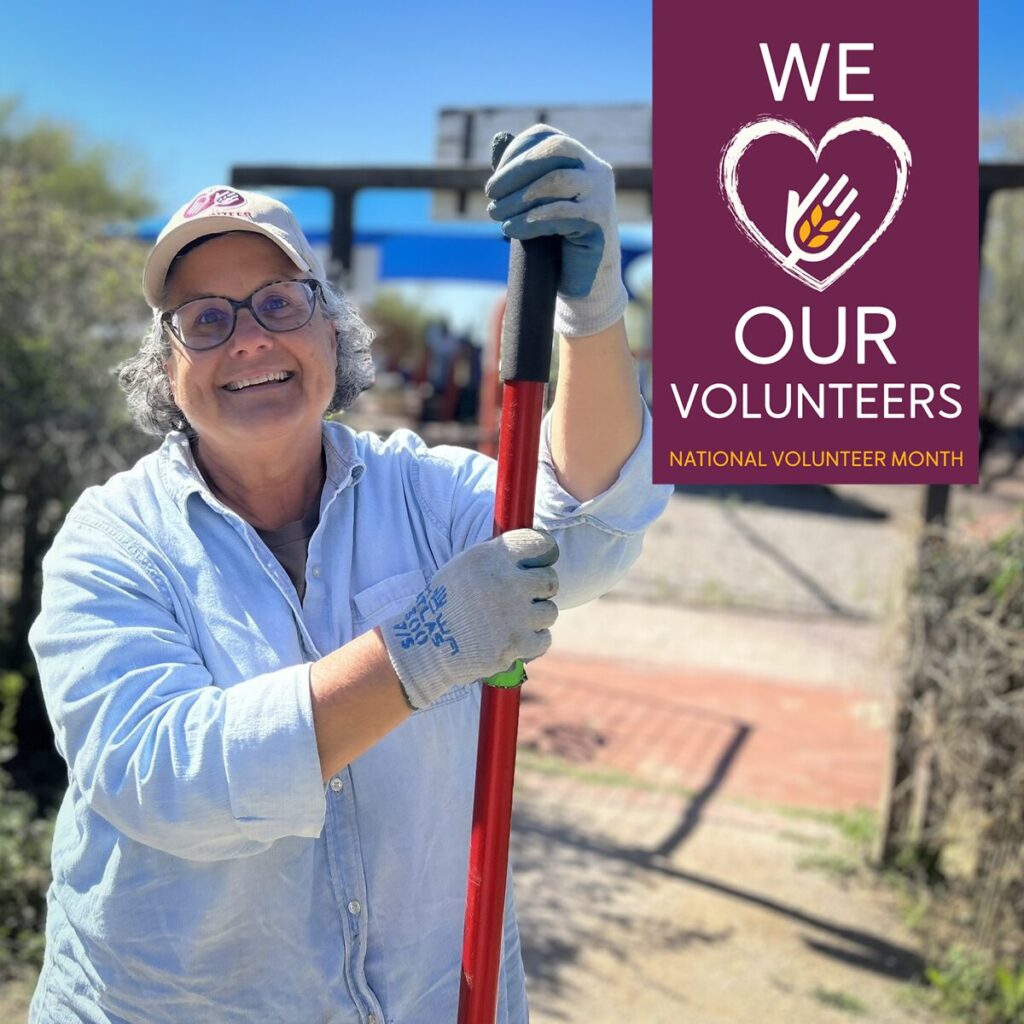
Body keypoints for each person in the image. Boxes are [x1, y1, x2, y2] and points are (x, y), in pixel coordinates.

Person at [28, 124, 671, 1024]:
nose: (248, 339)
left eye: (279, 303)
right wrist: (417, 654)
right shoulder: (113, 543)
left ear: (332, 329)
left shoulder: (425, 491)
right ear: (166, 372)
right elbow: (160, 776)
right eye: (204, 321)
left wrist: (593, 314)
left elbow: (589, 528)